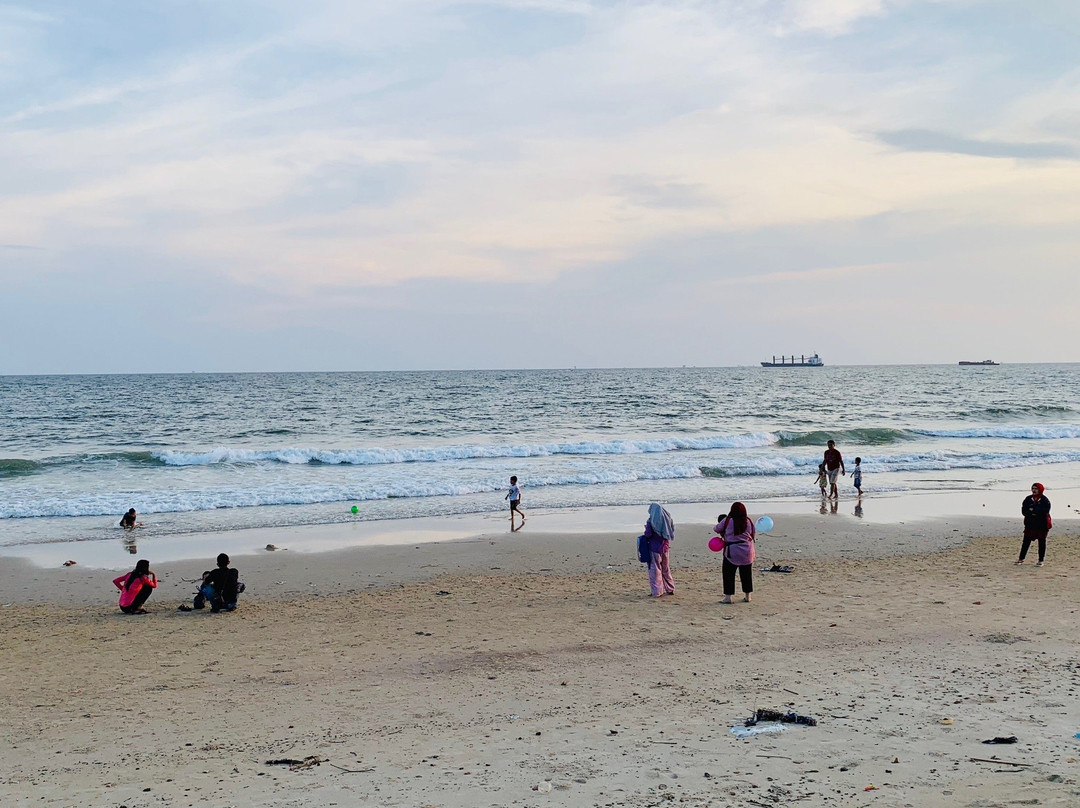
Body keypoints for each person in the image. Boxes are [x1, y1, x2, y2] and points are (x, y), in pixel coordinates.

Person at [715, 503, 756, 604]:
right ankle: (748, 596)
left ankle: (728, 597)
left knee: (728, 574)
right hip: (747, 551)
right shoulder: (748, 521)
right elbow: (753, 533)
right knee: (746, 574)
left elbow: (716, 529)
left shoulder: (727, 520)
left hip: (732, 551)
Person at [643, 503, 675, 597]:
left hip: (654, 548)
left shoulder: (651, 521)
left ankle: (657, 591)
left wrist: (646, 530)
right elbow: (671, 531)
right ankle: (670, 588)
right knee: (666, 568)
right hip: (665, 547)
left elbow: (648, 534)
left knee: (655, 569)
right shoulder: (668, 519)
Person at [1016, 483, 1052, 567]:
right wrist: (1032, 512)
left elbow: (1045, 511)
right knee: (1026, 542)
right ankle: (1021, 559)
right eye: (1033, 488)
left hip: (1041, 524)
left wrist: (1034, 511)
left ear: (1040, 489)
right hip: (1030, 524)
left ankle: (1040, 560)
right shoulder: (1028, 499)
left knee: (1041, 542)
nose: (1034, 490)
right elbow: (1024, 511)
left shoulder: (1044, 500)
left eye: (1036, 488)